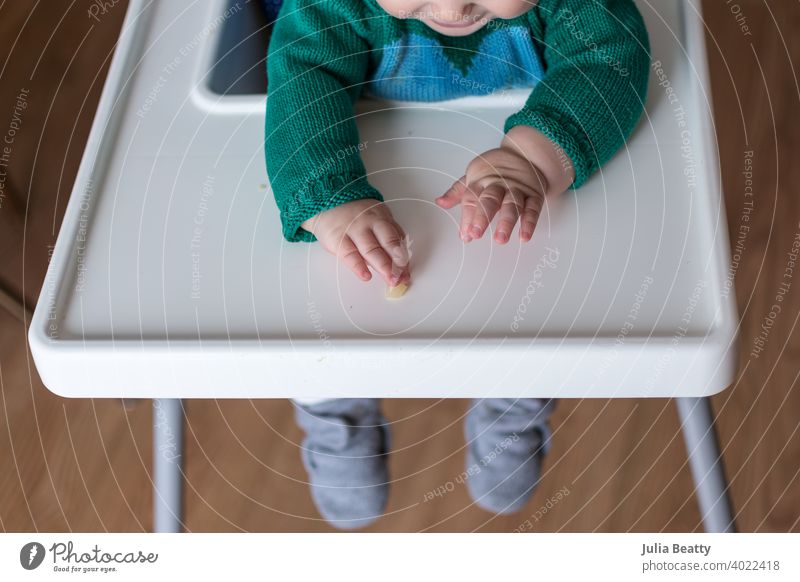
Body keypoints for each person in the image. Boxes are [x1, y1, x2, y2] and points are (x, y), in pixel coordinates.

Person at [264, 0, 650, 529]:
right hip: (383, 183)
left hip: (507, 227)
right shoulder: (328, 9)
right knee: (319, 305)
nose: (452, 7)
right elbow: (303, 75)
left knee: (532, 281)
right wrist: (329, 200)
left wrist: (532, 160)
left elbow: (608, 60)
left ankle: (514, 394)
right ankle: (335, 413)